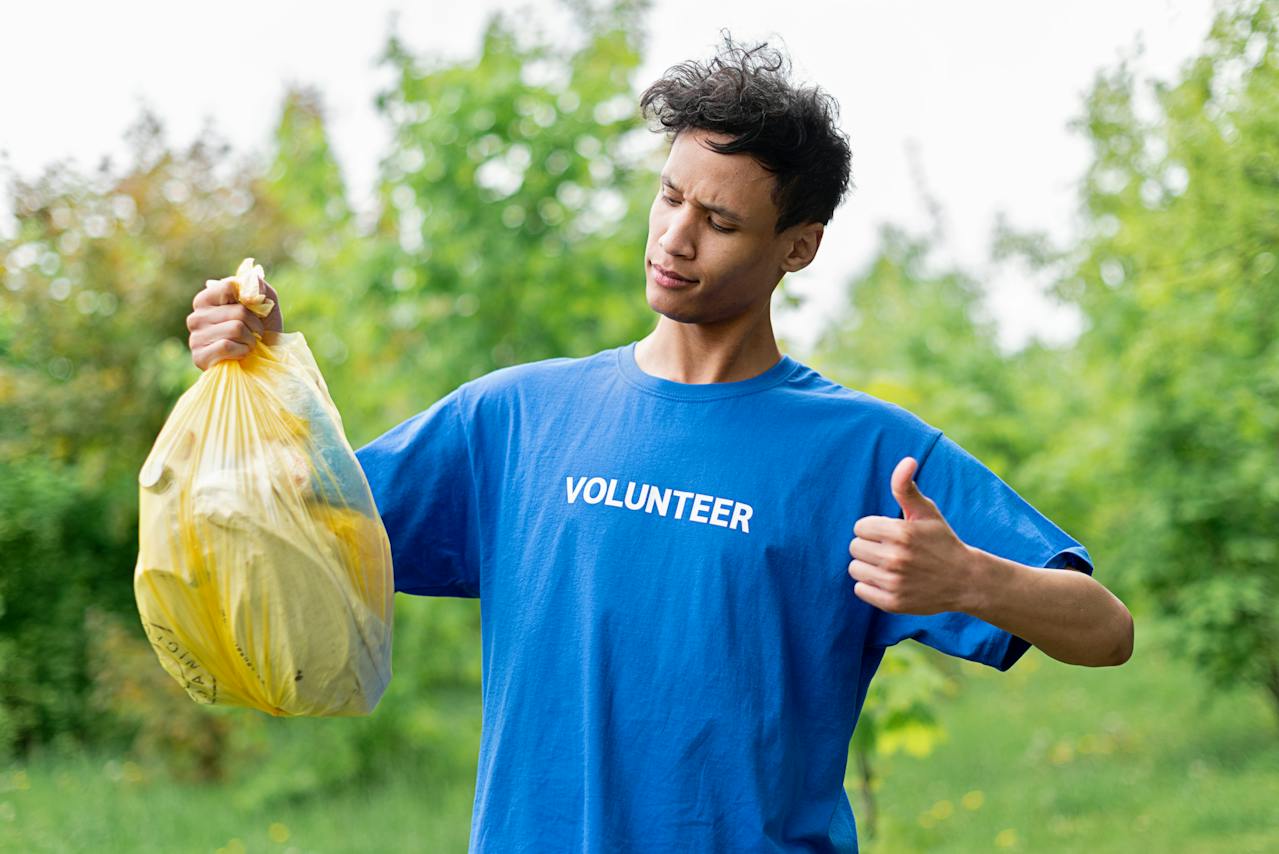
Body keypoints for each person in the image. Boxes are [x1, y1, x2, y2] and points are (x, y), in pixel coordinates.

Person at [187, 35, 1133, 854]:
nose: (675, 238)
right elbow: (306, 503)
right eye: (670, 197)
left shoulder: (866, 452)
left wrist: (973, 580)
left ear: (797, 247)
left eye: (719, 221)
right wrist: (255, 370)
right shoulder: (515, 419)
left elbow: (1106, 630)